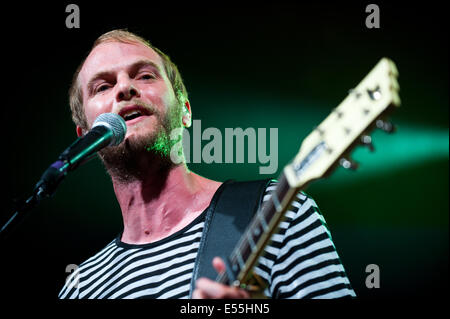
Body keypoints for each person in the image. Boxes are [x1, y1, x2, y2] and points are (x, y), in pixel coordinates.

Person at [59, 29, 356, 299]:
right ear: (86, 137)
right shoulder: (81, 286)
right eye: (102, 86)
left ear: (185, 112)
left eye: (146, 76)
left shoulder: (275, 211)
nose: (124, 88)